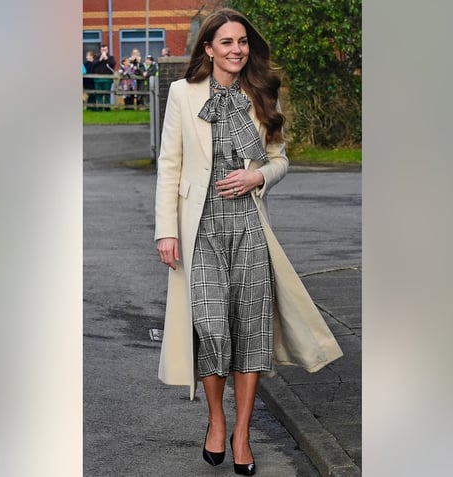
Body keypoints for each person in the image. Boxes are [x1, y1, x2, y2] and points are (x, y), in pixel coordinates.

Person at [154, 8, 342, 476]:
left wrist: (259, 174)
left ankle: (241, 434)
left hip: (250, 229)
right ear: (209, 48)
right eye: (227, 42)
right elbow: (169, 166)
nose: (237, 49)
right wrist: (166, 230)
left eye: (242, 42)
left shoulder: (261, 92)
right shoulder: (182, 93)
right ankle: (216, 420)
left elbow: (280, 159)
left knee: (251, 333)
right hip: (201, 231)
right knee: (213, 330)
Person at [90, 44, 116, 109]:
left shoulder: (110, 57)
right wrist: (100, 59)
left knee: (107, 94)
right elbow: (93, 64)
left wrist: (106, 59)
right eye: (102, 50)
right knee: (99, 94)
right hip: (98, 79)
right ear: (100, 50)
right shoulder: (97, 57)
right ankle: (100, 107)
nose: (104, 51)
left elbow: (113, 64)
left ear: (107, 50)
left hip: (107, 79)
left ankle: (107, 107)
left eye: (105, 50)